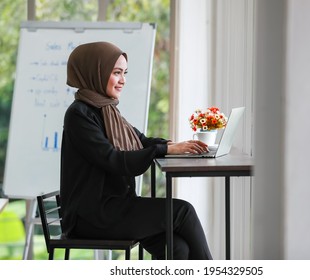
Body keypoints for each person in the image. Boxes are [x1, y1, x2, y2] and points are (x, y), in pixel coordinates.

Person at [60, 41, 213, 260]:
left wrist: (176, 146)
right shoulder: (79, 114)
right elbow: (112, 159)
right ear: (95, 72)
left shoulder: (107, 110)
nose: (123, 80)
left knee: (177, 248)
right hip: (92, 215)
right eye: (116, 73)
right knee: (183, 211)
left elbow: (141, 141)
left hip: (117, 206)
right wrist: (164, 149)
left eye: (124, 73)